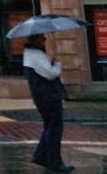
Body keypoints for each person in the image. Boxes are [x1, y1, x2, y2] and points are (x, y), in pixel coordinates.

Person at [23, 33, 73, 172]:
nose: (45, 39)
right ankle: (54, 162)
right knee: (54, 130)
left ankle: (41, 156)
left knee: (50, 128)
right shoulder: (35, 54)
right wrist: (56, 64)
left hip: (44, 96)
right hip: (48, 96)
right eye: (42, 37)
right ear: (35, 39)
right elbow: (50, 74)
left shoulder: (32, 53)